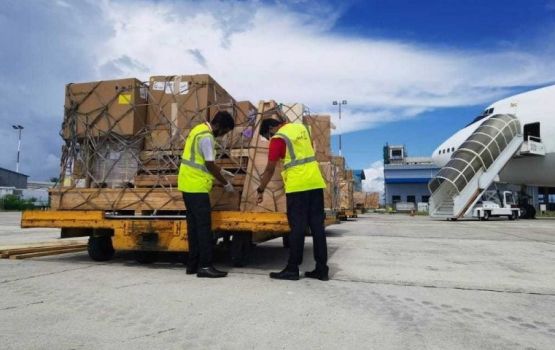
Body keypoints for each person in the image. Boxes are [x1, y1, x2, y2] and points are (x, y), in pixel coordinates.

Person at [256, 117, 329, 281]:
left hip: (297, 186)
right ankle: (322, 269)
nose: (269, 140)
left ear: (271, 129)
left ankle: (292, 268)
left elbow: (269, 169)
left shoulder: (278, 138)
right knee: (318, 228)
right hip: (315, 182)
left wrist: (260, 189)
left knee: (297, 228)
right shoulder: (302, 129)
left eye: (267, 136)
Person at [178, 111, 236, 278]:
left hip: (187, 184)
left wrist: (222, 170)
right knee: (203, 229)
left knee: (193, 228)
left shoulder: (198, 129)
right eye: (224, 131)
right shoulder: (207, 137)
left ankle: (193, 265)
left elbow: (200, 159)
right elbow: (209, 165)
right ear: (218, 126)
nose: (223, 135)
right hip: (197, 186)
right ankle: (205, 266)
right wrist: (225, 183)